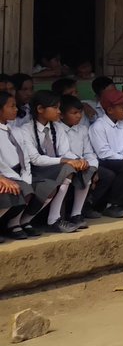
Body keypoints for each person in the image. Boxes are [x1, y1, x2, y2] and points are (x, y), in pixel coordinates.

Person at [21, 90, 90, 233]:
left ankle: (63, 217)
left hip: (54, 168)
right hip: (36, 170)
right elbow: (35, 159)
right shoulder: (25, 130)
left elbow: (65, 151)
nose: (59, 112)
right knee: (67, 169)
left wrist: (77, 160)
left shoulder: (57, 128)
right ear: (40, 109)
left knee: (83, 169)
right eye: (55, 108)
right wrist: (66, 160)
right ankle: (48, 220)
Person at [88, 89, 123, 218]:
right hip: (105, 160)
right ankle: (113, 205)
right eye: (122, 108)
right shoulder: (98, 126)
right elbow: (103, 152)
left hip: (121, 159)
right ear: (110, 110)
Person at [60, 96, 103, 228]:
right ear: (61, 115)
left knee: (89, 173)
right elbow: (63, 151)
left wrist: (93, 167)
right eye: (74, 113)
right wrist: (78, 161)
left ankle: (76, 213)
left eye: (80, 112)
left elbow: (89, 152)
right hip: (66, 164)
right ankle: (61, 216)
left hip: (82, 164)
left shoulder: (83, 129)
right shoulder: (58, 129)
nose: (78, 116)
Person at [0, 91, 36, 241]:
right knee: (9, 190)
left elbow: (25, 157)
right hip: (4, 173)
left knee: (27, 188)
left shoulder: (14, 130)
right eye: (12, 106)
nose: (16, 109)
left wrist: (25, 176)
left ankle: (14, 224)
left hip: (16, 172)